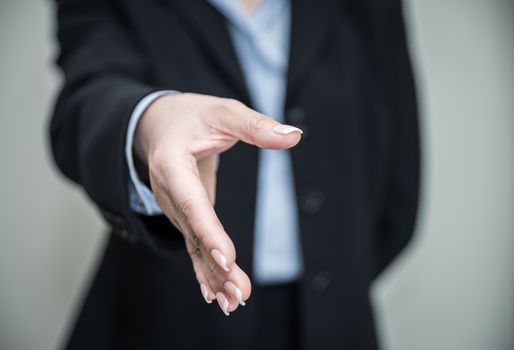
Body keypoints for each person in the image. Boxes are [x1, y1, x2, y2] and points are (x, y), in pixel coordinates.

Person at [49, 0, 420, 349]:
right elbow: (85, 96)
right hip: (165, 314)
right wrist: (150, 122)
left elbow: (398, 170)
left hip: (336, 321)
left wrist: (346, 274)